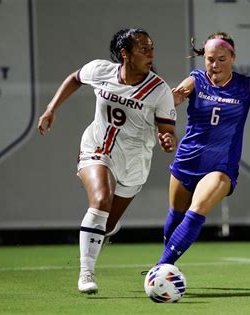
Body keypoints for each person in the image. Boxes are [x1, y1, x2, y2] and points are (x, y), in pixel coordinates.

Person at [37, 28, 177, 294]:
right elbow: (75, 78)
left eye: (151, 48)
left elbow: (167, 131)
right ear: (124, 53)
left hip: (134, 163)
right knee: (101, 199)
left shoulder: (159, 90)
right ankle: (86, 274)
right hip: (96, 148)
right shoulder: (101, 70)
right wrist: (51, 108)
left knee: (108, 223)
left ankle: (104, 229)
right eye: (143, 49)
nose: (150, 54)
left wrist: (168, 140)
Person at [156, 32, 250, 266]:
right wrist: (168, 126)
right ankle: (166, 264)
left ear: (233, 57)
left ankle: (161, 268)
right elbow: (167, 108)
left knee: (197, 209)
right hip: (187, 160)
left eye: (221, 58)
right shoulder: (195, 80)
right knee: (176, 215)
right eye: (210, 59)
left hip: (220, 167)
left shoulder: (247, 87)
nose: (215, 64)